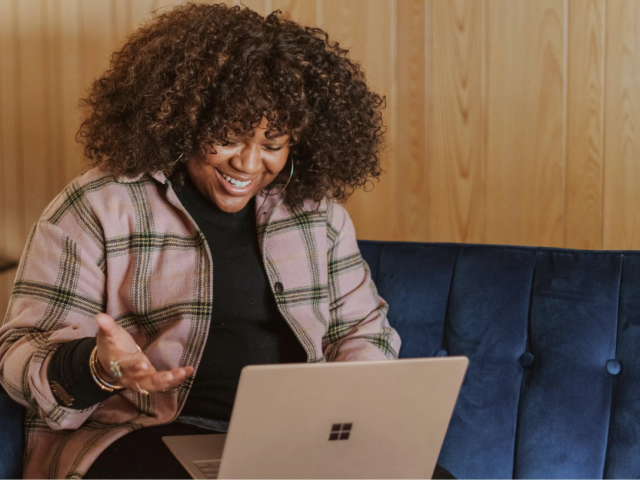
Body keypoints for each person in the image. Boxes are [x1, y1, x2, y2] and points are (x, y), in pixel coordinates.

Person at [0, 4, 455, 479]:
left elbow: (362, 331)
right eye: (230, 137)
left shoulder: (317, 216)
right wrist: (95, 366)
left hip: (291, 439)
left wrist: (348, 410)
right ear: (185, 120)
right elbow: (18, 351)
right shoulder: (99, 205)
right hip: (142, 433)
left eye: (273, 143)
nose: (249, 164)